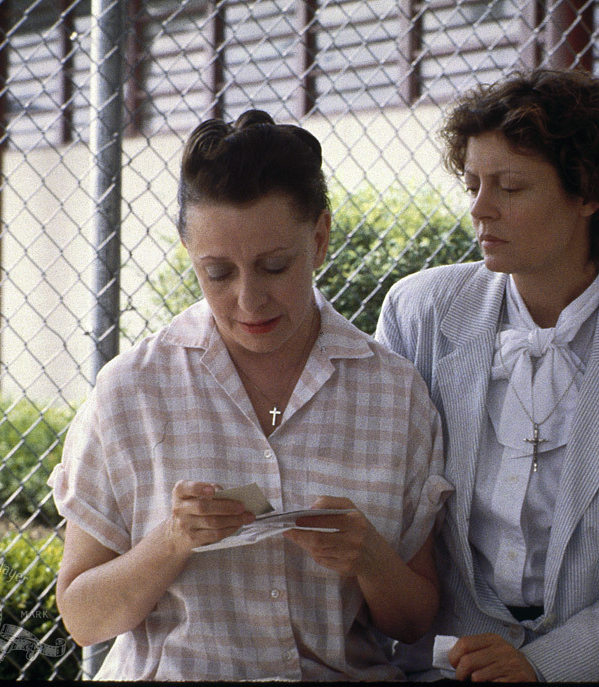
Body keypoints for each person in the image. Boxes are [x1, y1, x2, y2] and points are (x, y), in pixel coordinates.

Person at [49, 110, 450, 681]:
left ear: (320, 238)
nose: (249, 300)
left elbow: (414, 622)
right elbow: (83, 619)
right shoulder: (132, 391)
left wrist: (370, 558)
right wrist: (172, 541)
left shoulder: (393, 393)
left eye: (274, 266)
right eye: (217, 273)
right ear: (189, 253)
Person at [375, 69, 599, 682]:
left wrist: (545, 667)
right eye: (473, 184)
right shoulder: (421, 314)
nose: (480, 209)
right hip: (449, 666)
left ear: (588, 194)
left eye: (511, 186)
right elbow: (384, 501)